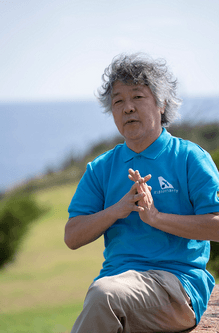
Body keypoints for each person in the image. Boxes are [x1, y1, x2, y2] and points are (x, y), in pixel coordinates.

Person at [64, 53, 219, 333]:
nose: (128, 108)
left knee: (103, 296)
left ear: (161, 104)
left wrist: (156, 217)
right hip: (120, 283)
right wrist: (117, 210)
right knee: (106, 294)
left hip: (178, 286)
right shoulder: (100, 168)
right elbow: (72, 236)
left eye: (137, 97)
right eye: (118, 101)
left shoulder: (189, 158)